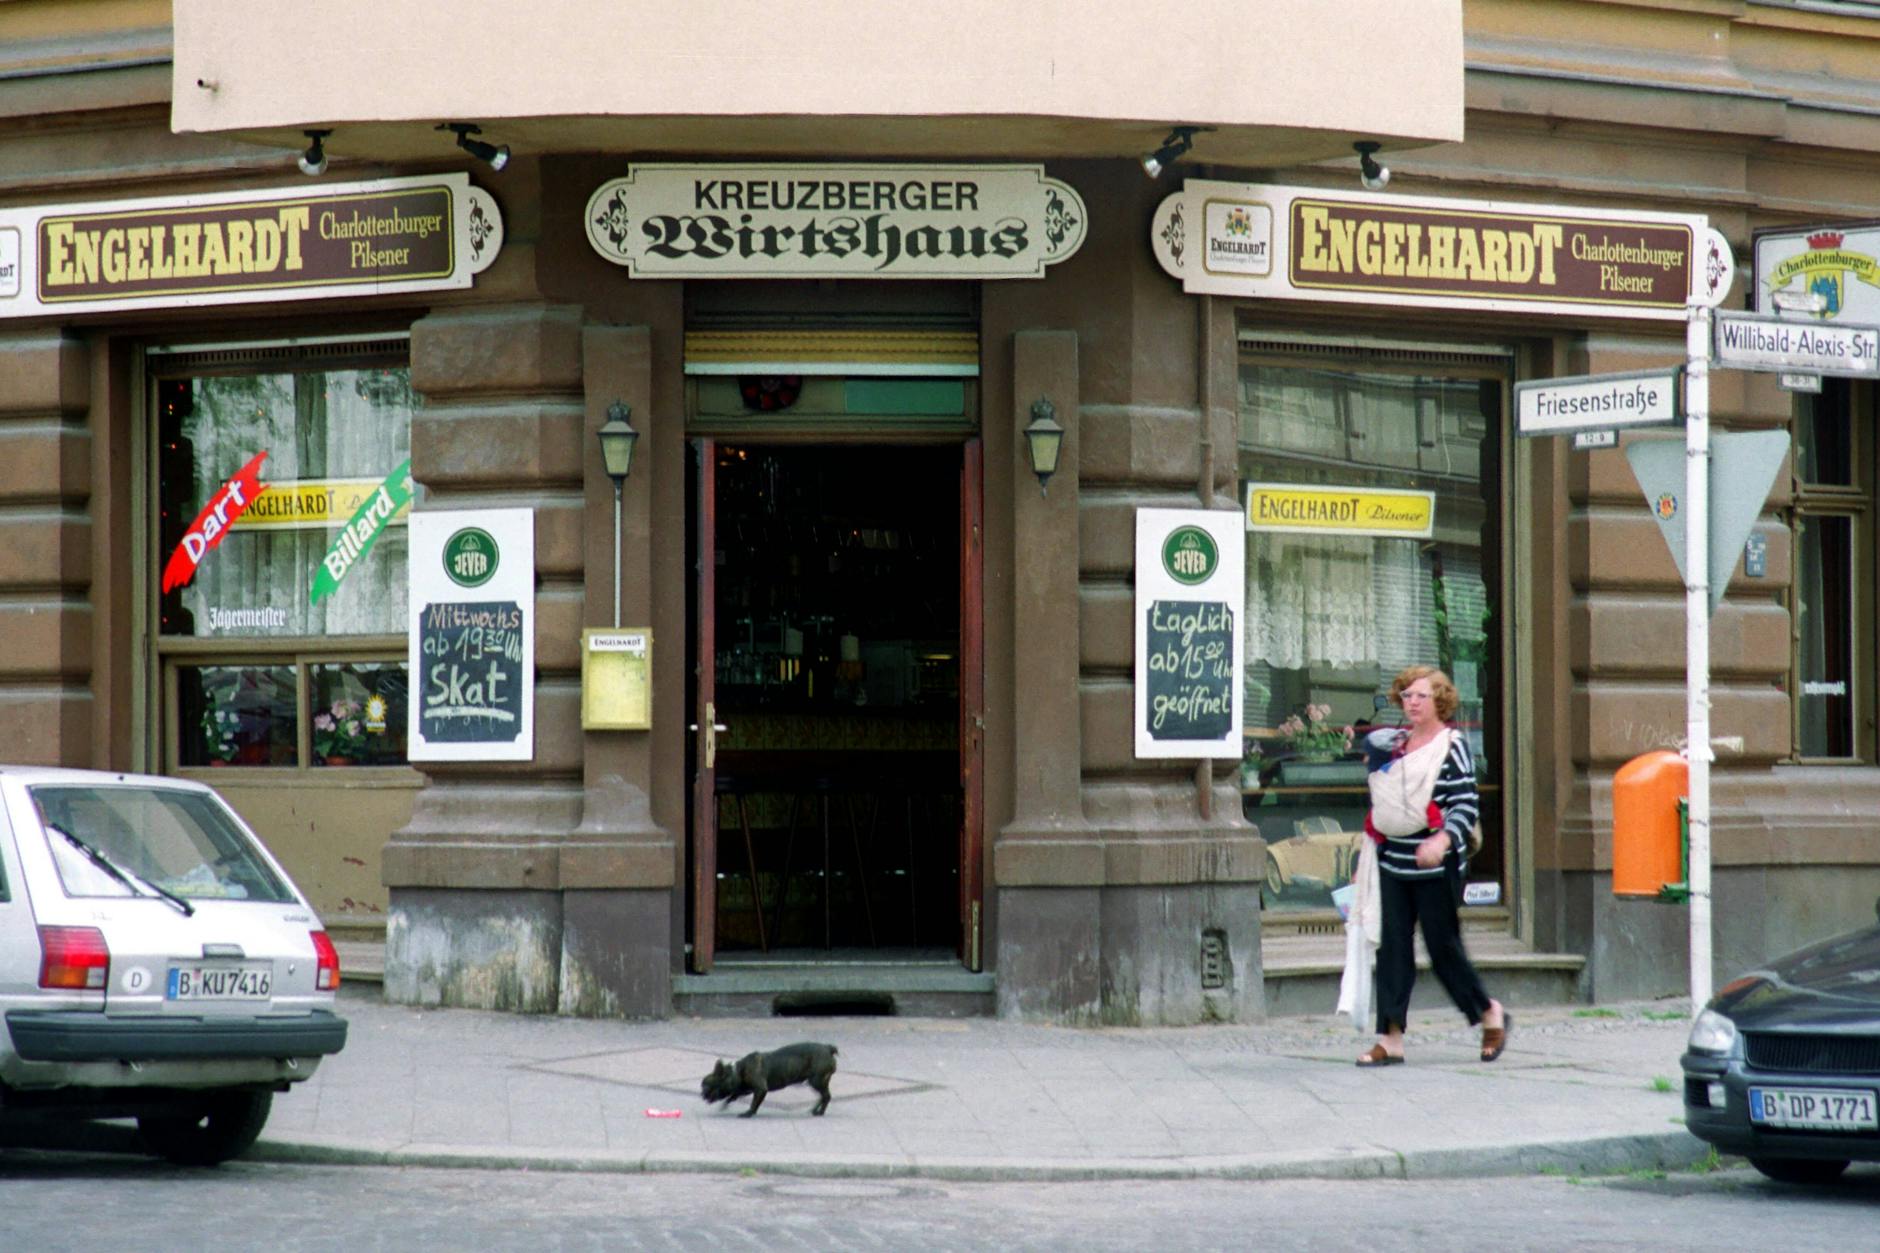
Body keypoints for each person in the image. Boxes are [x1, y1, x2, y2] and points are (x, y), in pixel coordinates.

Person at [1354, 664, 1510, 1067]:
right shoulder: (1395, 745)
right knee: (1392, 950)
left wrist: (1442, 839)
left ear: (1439, 700)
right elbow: (1384, 800)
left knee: (1443, 949)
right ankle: (1390, 1038)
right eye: (1406, 696)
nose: (1412, 703)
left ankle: (1488, 1012)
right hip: (1393, 861)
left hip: (1434, 865)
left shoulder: (1451, 745)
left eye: (1421, 695)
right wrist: (1367, 855)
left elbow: (1464, 803)